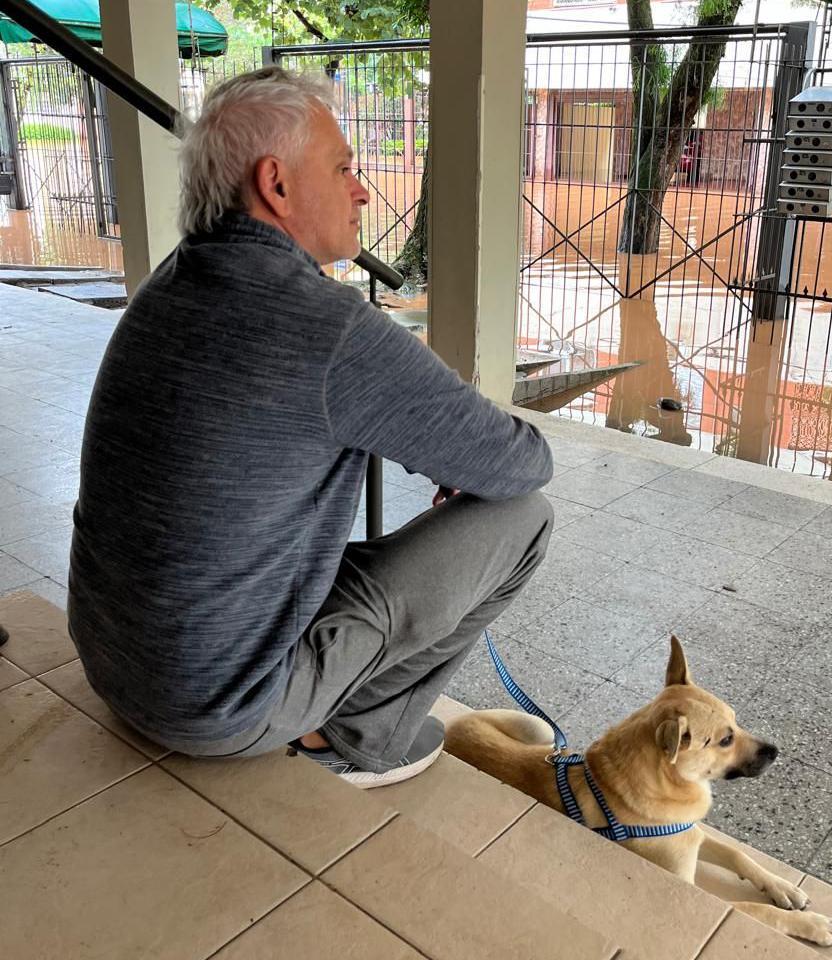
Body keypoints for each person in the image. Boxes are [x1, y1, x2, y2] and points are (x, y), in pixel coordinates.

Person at [67, 67, 554, 788]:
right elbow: (522, 461)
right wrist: (434, 427)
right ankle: (355, 737)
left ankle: (328, 712)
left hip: (116, 661)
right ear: (277, 185)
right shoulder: (326, 327)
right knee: (524, 518)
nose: (362, 190)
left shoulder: (169, 283)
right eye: (344, 168)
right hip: (220, 709)